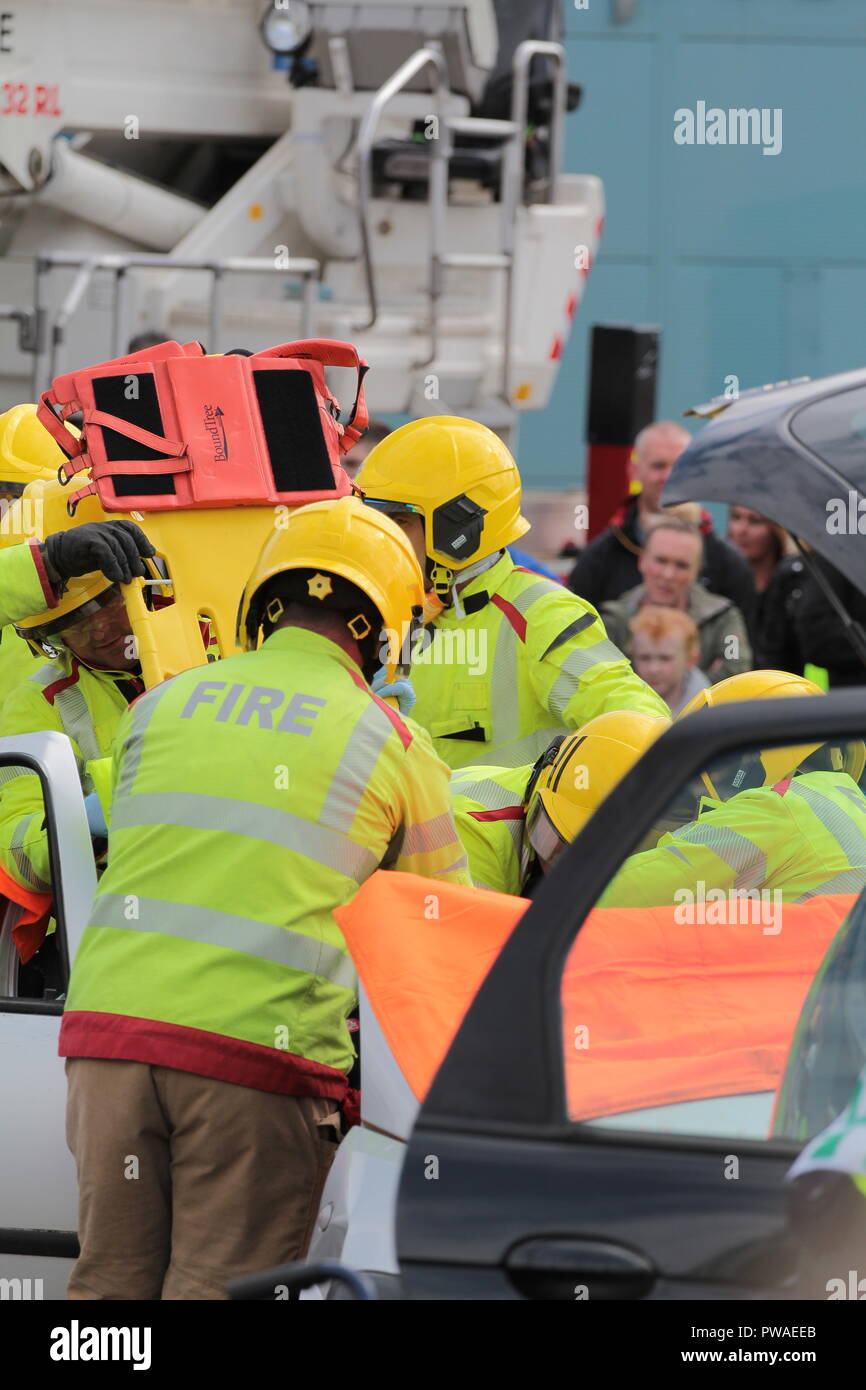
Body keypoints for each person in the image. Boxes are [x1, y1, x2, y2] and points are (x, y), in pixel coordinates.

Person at [60, 494, 471, 1300]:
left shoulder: (158, 706)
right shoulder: (389, 739)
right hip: (255, 1063)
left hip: (105, 1044)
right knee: (222, 1291)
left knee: (107, 1296)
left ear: (261, 602)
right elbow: (438, 935)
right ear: (385, 629)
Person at [356, 415, 668, 771]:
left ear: (458, 530)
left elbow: (640, 727)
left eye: (398, 522)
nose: (379, 538)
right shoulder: (378, 612)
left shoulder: (542, 614)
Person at [0, 485, 156, 896]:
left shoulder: (226, 642)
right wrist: (83, 822)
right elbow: (18, 852)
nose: (100, 629)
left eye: (107, 602)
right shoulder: (37, 706)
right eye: (70, 624)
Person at [601, 670, 866, 910]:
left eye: (719, 762)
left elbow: (637, 889)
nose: (702, 782)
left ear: (753, 759)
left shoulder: (776, 807)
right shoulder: (840, 799)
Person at [451, 711, 669, 896]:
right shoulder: (473, 829)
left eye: (584, 858)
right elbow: (480, 940)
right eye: (555, 843)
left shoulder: (555, 782)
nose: (560, 868)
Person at [566, 420, 756, 626]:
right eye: (659, 466)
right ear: (634, 471)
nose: (668, 476)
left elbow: (745, 645)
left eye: (679, 466)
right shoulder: (598, 560)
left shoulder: (729, 565)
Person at [600, 515, 752, 683]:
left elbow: (737, 675)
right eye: (661, 561)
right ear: (642, 561)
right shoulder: (613, 619)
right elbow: (597, 681)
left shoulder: (722, 617)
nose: (668, 574)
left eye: (681, 565)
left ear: (697, 572)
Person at [727, 505, 806, 672]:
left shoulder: (793, 585)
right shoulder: (723, 584)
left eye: (755, 521)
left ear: (775, 529)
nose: (741, 530)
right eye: (736, 518)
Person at [629, 605, 708, 716]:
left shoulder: (709, 709)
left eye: (665, 658)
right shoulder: (618, 706)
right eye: (644, 658)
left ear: (691, 660)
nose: (653, 669)